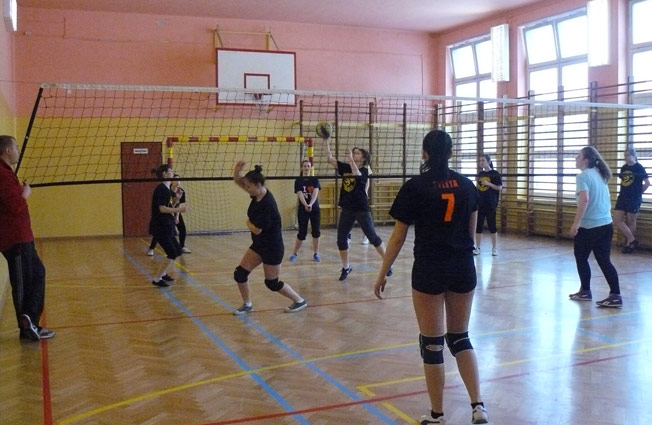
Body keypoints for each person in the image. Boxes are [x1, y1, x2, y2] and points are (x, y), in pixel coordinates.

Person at [373, 130, 487, 425]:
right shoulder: (466, 185)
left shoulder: (415, 187)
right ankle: (478, 407)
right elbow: (471, 233)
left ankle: (437, 415)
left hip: (429, 268)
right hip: (462, 266)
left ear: (424, 153)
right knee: (460, 337)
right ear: (450, 153)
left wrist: (383, 272)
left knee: (433, 344)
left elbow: (398, 237)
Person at [231, 161, 307, 314]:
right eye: (247, 186)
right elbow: (240, 182)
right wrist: (237, 172)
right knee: (240, 274)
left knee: (272, 283)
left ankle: (299, 301)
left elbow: (256, 230)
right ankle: (247, 304)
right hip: (259, 245)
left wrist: (247, 223)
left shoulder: (267, 204)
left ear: (258, 185)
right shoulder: (257, 194)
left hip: (272, 248)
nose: (246, 189)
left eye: (249, 186)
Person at [0, 135, 55, 341]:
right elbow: (15, 205)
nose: (18, 151)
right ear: (7, 150)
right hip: (14, 240)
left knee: (38, 273)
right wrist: (25, 193)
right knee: (22, 283)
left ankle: (30, 320)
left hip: (23, 237)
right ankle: (27, 329)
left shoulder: (7, 173)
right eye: (15, 147)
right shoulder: (2, 174)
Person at [323, 136, 392, 281]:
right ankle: (346, 267)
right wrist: (326, 140)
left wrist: (350, 160)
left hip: (361, 208)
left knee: (372, 237)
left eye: (357, 153)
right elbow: (329, 158)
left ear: (363, 157)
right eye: (353, 152)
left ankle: (387, 263)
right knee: (341, 239)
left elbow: (357, 175)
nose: (354, 154)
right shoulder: (345, 167)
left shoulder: (365, 169)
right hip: (347, 208)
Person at [569, 146, 622, 308]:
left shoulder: (583, 176)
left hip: (590, 227)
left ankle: (585, 291)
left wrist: (576, 223)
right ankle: (615, 295)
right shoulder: (600, 174)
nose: (576, 158)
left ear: (585, 160)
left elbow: (584, 199)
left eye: (578, 156)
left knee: (581, 257)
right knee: (604, 260)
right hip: (606, 225)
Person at [149, 164, 188, 287]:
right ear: (165, 174)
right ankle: (157, 279)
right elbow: (162, 209)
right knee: (172, 253)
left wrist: (177, 199)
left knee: (176, 250)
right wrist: (180, 210)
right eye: (170, 171)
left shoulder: (167, 189)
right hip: (160, 227)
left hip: (167, 225)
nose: (173, 173)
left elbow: (169, 206)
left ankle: (163, 273)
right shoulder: (161, 189)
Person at [613, 146, 649, 253]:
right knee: (617, 219)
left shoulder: (639, 167)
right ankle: (632, 240)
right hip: (623, 196)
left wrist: (638, 193)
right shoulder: (624, 168)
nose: (626, 157)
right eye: (625, 155)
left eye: (628, 155)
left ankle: (629, 244)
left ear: (634, 156)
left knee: (630, 221)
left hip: (634, 198)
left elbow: (647, 183)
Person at [148, 174, 191, 256]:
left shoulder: (180, 191)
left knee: (182, 228)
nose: (178, 182)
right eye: (176, 180)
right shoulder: (166, 189)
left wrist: (176, 216)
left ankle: (182, 246)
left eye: (179, 180)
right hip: (166, 215)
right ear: (172, 181)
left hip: (173, 212)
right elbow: (165, 207)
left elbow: (176, 205)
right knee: (160, 233)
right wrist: (176, 211)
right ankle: (152, 248)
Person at [289, 160, 321, 262]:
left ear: (310, 168)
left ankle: (316, 253)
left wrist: (310, 204)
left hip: (314, 209)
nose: (307, 168)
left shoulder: (315, 179)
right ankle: (294, 253)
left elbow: (315, 193)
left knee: (316, 232)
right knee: (302, 233)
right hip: (303, 209)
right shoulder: (298, 180)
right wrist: (306, 205)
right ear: (301, 168)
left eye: (308, 166)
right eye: (305, 166)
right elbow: (299, 193)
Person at [474, 154, 502, 256]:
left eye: (483, 160)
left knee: (492, 226)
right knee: (478, 226)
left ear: (489, 162)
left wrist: (488, 183)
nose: (481, 162)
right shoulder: (480, 174)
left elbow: (499, 188)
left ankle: (494, 248)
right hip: (480, 203)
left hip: (491, 203)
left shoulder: (495, 174)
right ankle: (477, 247)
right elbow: (478, 188)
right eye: (480, 161)